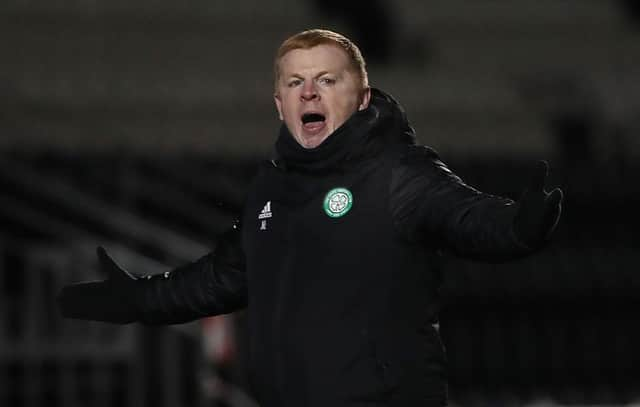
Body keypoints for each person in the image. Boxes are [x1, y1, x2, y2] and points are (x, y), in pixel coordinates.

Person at [58, 29, 563, 407]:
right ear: (280, 104)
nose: (309, 92)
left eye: (327, 79)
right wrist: (139, 298)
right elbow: (225, 276)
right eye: (295, 82)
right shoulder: (271, 188)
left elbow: (467, 217)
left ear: (362, 98)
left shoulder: (397, 173)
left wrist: (519, 226)